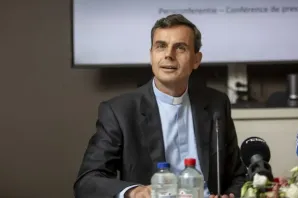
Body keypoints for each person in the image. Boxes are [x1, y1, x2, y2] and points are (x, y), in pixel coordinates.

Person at [73, 14, 247, 198]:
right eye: (160, 46)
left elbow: (238, 176)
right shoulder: (120, 111)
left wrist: (231, 195)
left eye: (180, 47)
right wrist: (133, 192)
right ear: (151, 55)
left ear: (196, 60)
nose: (168, 55)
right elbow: (88, 181)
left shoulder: (216, 104)